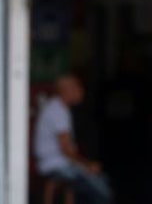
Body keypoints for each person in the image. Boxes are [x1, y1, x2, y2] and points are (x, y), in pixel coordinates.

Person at [33, 74, 113, 204]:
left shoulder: (58, 108)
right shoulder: (57, 111)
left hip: (58, 163)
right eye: (78, 87)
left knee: (94, 181)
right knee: (102, 191)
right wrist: (87, 165)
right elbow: (66, 149)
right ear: (67, 90)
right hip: (55, 164)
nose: (81, 91)